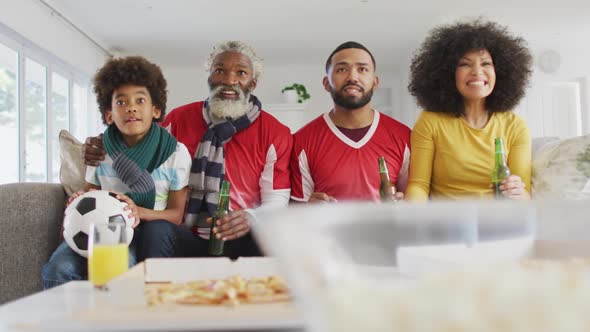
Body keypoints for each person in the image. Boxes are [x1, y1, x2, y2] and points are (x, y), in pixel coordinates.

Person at [83, 41, 293, 258]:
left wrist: (250, 217)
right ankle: (155, 290)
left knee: (271, 236)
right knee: (156, 230)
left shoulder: (275, 133)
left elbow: (276, 202)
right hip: (185, 232)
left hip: (239, 237)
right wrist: (102, 143)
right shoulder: (178, 119)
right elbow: (136, 136)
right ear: (210, 77)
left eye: (241, 73)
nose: (230, 80)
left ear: (253, 83)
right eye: (220, 70)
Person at [42, 56, 192, 288]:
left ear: (155, 110)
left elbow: (176, 214)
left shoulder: (175, 154)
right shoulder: (100, 151)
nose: (131, 107)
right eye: (121, 103)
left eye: (140, 100)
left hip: (143, 229)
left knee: (120, 274)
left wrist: (137, 212)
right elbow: (89, 193)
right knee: (57, 268)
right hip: (100, 229)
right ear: (109, 115)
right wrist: (77, 200)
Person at [406, 19, 532, 201]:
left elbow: (525, 194)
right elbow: (419, 185)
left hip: (498, 221)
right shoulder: (430, 121)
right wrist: (414, 221)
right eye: (465, 64)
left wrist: (518, 192)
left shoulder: (516, 126)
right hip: (449, 223)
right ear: (448, 73)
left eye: (486, 63)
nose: (477, 72)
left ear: (500, 71)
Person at [290, 41, 411, 203]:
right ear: (326, 83)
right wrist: (307, 209)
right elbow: (295, 211)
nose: (352, 77)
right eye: (341, 69)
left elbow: (415, 201)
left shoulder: (403, 136)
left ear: (375, 83)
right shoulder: (301, 141)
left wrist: (404, 203)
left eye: (362, 69)